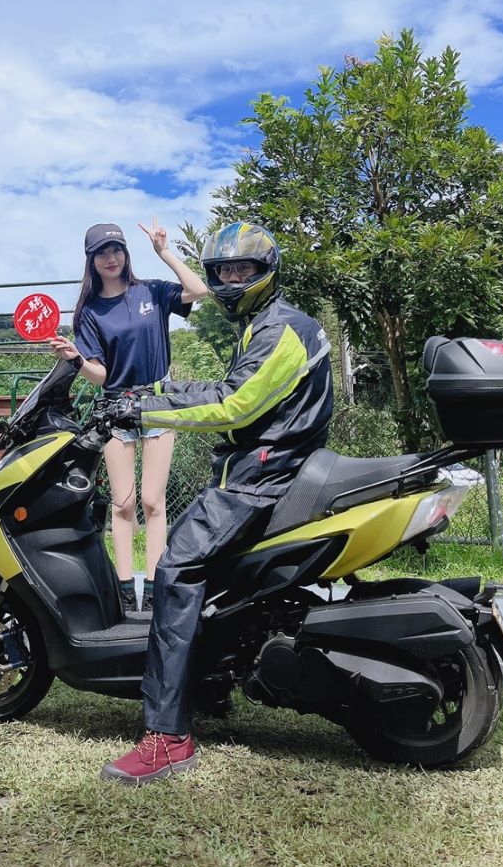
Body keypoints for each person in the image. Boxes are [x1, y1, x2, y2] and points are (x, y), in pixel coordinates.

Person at [97, 221, 334, 785]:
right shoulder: (265, 325)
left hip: (261, 478)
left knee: (175, 568)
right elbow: (230, 389)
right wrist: (152, 391)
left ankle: (167, 737)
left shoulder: (281, 330)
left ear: (265, 273)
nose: (230, 281)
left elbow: (234, 405)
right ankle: (209, 683)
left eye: (241, 270)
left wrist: (144, 410)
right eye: (223, 271)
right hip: (266, 470)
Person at [50, 220, 207, 613]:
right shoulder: (89, 312)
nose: (111, 258)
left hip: (157, 404)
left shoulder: (150, 291)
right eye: (102, 252)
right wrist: (76, 358)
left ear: (126, 253)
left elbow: (198, 290)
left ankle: (154, 589)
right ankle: (123, 590)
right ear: (91, 260)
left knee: (153, 501)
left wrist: (164, 252)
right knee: (122, 504)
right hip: (114, 408)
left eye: (116, 249)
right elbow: (100, 375)